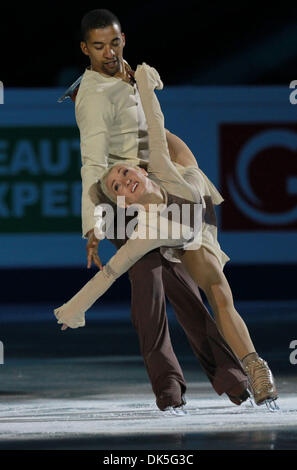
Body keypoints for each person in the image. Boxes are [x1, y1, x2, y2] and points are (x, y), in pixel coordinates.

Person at [57, 8, 251, 412]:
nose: (108, 52)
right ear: (84, 49)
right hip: (117, 197)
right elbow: (92, 164)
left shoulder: (130, 74)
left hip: (152, 189)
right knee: (146, 279)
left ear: (123, 38)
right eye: (98, 46)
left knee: (182, 284)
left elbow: (155, 128)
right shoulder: (92, 97)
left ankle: (231, 377)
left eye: (113, 42)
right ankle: (168, 387)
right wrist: (92, 224)